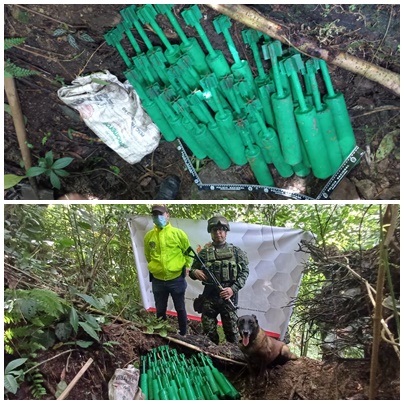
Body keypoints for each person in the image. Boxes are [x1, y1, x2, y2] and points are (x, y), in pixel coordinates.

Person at [189, 216, 249, 344]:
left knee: (232, 334)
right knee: (209, 333)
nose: (218, 233)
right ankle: (212, 356)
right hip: (210, 297)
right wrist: (195, 272)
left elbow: (245, 272)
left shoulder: (236, 252)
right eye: (215, 230)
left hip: (228, 297)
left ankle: (233, 360)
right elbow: (192, 271)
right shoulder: (204, 253)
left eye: (221, 230)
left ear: (226, 232)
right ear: (211, 232)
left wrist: (232, 289)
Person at [144, 204, 192, 336]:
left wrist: (186, 266)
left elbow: (188, 252)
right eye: (155, 215)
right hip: (158, 280)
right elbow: (148, 256)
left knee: (180, 308)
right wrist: (157, 268)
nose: (158, 217)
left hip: (176, 279)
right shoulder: (149, 236)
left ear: (167, 215)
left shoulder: (178, 234)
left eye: (161, 214)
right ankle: (162, 333)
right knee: (160, 309)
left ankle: (183, 334)